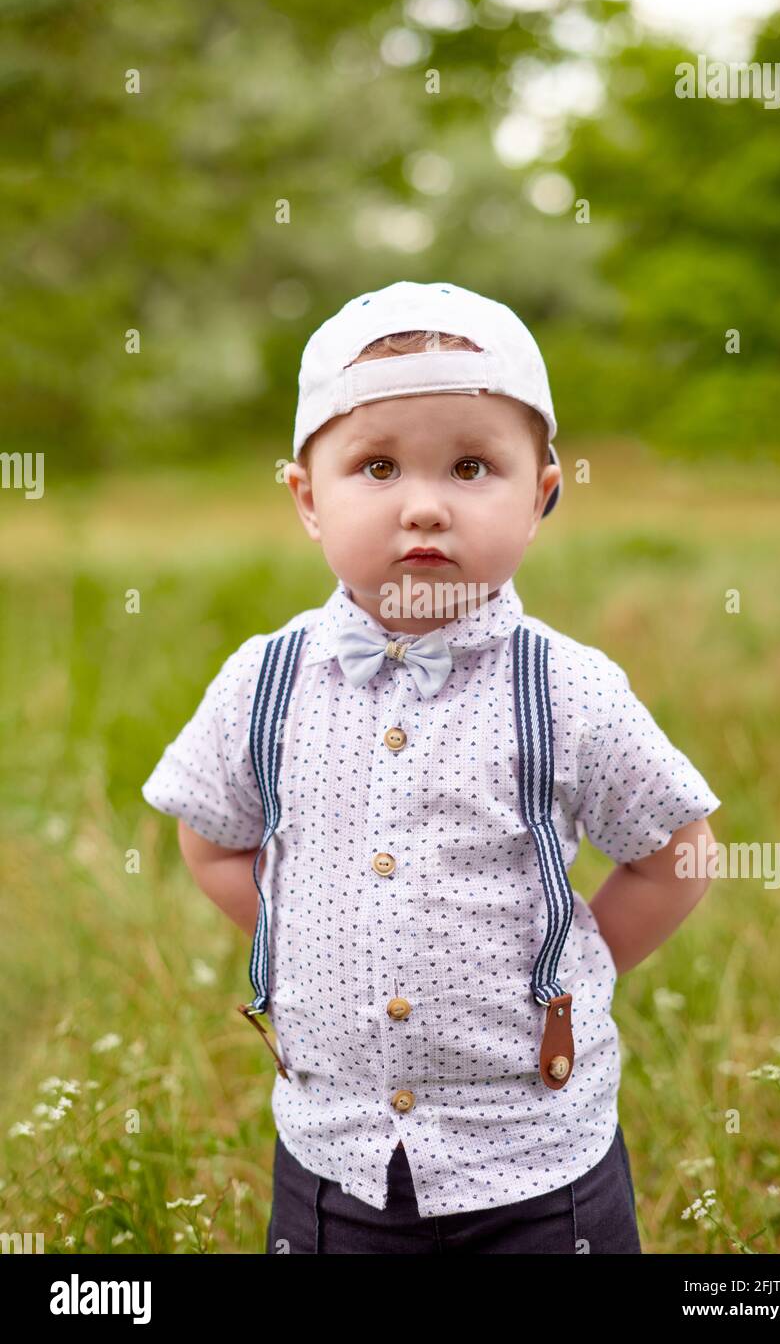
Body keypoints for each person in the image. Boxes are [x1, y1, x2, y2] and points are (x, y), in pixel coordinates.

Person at [142, 280, 721, 1254]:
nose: (423, 507)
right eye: (374, 467)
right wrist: (314, 935)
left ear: (540, 495)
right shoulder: (265, 681)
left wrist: (572, 968)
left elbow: (680, 852)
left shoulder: (568, 688)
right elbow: (212, 840)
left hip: (538, 1165)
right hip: (337, 1162)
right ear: (306, 498)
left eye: (470, 466)